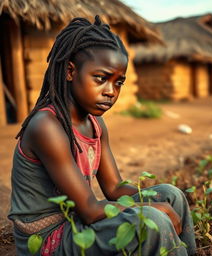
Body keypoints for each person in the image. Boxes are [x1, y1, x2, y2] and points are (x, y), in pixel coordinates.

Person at [8, 16, 196, 256]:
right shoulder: (47, 126)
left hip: (78, 221)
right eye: (101, 78)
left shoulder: (96, 123)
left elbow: (115, 188)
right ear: (70, 71)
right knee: (150, 220)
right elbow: (89, 209)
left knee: (172, 196)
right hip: (49, 238)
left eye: (119, 83)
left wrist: (159, 200)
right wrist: (150, 210)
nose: (110, 92)